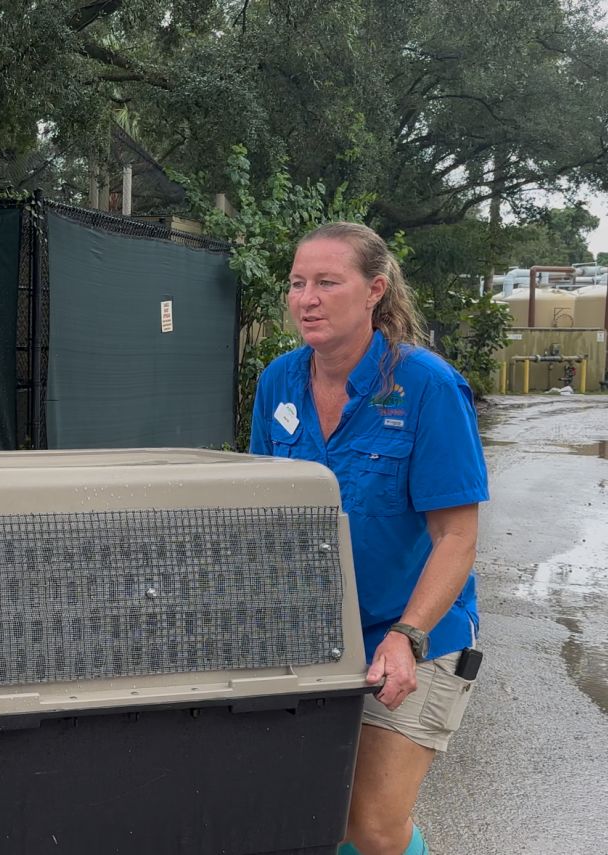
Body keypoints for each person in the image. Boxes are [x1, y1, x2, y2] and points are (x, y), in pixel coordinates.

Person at [250, 222, 488, 855]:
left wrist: (406, 637)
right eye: (298, 283)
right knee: (303, 810)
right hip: (314, 634)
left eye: (328, 282)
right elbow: (262, 511)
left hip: (415, 635)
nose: (307, 298)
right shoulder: (279, 382)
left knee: (374, 825)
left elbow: (457, 537)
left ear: (375, 290)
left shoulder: (427, 387)